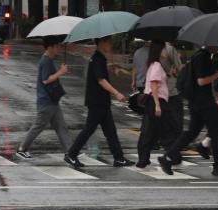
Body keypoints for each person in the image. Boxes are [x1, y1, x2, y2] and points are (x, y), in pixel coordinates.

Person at [158, 46, 218, 176]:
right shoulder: (203, 57)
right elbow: (201, 81)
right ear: (210, 43)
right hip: (203, 101)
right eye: (216, 44)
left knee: (192, 132)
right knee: (217, 130)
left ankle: (167, 157)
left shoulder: (198, 55)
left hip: (195, 101)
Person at [64, 36, 134, 168]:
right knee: (89, 129)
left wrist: (110, 70)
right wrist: (117, 93)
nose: (110, 44)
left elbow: (101, 76)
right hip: (97, 101)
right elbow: (101, 80)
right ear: (101, 43)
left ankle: (119, 158)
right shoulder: (97, 59)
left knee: (110, 131)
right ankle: (71, 154)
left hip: (101, 101)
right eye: (108, 42)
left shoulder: (100, 58)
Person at [16, 38, 71, 160]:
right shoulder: (46, 61)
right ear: (50, 47)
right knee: (38, 126)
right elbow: (46, 80)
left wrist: (60, 72)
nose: (58, 49)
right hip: (46, 101)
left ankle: (70, 152)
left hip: (52, 100)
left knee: (61, 126)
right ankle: (22, 149)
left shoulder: (49, 60)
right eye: (56, 46)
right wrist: (61, 72)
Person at [136, 41, 175, 168]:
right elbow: (153, 84)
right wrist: (157, 105)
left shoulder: (154, 65)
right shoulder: (157, 65)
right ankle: (171, 156)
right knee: (168, 128)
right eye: (164, 49)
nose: (166, 52)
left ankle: (143, 159)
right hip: (156, 101)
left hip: (152, 100)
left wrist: (168, 73)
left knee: (150, 130)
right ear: (159, 51)